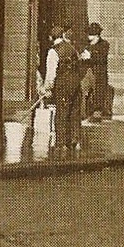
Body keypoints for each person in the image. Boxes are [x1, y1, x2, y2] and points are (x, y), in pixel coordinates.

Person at [44, 23, 85, 155]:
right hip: (76, 84)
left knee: (61, 113)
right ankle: (75, 140)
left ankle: (60, 143)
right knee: (74, 112)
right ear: (62, 36)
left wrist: (47, 89)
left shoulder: (53, 52)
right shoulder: (72, 49)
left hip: (63, 85)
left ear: (51, 38)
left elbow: (51, 73)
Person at [82, 22, 111, 122]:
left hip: (99, 72)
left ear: (97, 35)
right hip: (88, 72)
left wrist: (91, 56)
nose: (89, 37)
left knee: (98, 93)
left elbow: (102, 58)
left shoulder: (104, 44)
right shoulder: (87, 45)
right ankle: (86, 113)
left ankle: (96, 114)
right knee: (85, 91)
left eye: (91, 35)